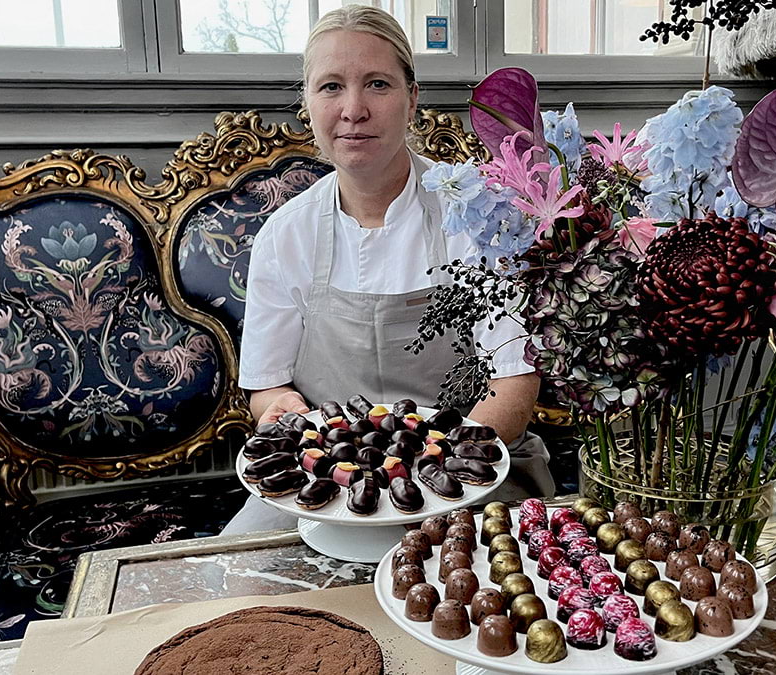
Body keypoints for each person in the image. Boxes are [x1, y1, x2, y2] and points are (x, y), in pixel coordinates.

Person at [222, 5, 554, 535]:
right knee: (238, 593)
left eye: (377, 83)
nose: (353, 109)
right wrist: (281, 406)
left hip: (473, 473)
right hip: (330, 484)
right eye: (330, 86)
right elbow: (268, 385)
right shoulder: (286, 234)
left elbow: (512, 385)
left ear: (412, 97)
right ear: (307, 103)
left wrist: (427, 482)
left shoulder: (476, 217)